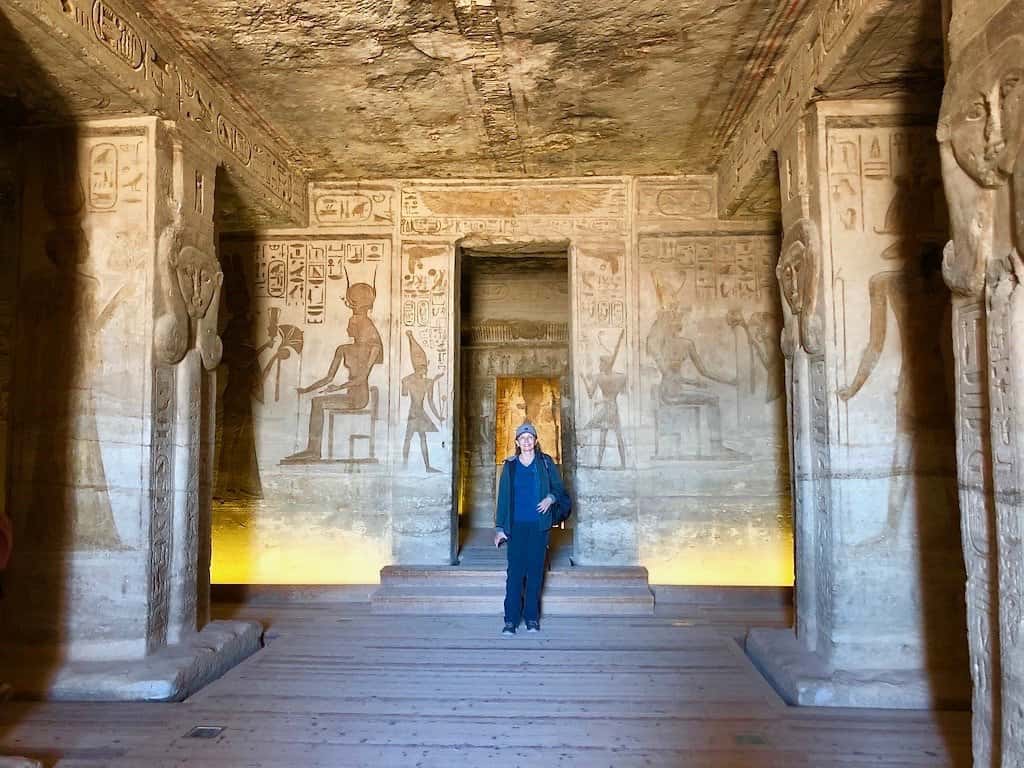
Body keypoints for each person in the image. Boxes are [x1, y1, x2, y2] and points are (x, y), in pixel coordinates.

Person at [493, 422, 571, 636]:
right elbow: (503, 500)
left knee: (535, 572)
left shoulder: (545, 463)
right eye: (522, 438)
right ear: (517, 442)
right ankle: (510, 619)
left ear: (535, 441)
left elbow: (559, 489)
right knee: (515, 573)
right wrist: (500, 527)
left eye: (530, 437)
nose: (526, 441)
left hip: (539, 525)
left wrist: (550, 497)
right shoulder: (509, 466)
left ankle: (532, 618)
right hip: (516, 526)